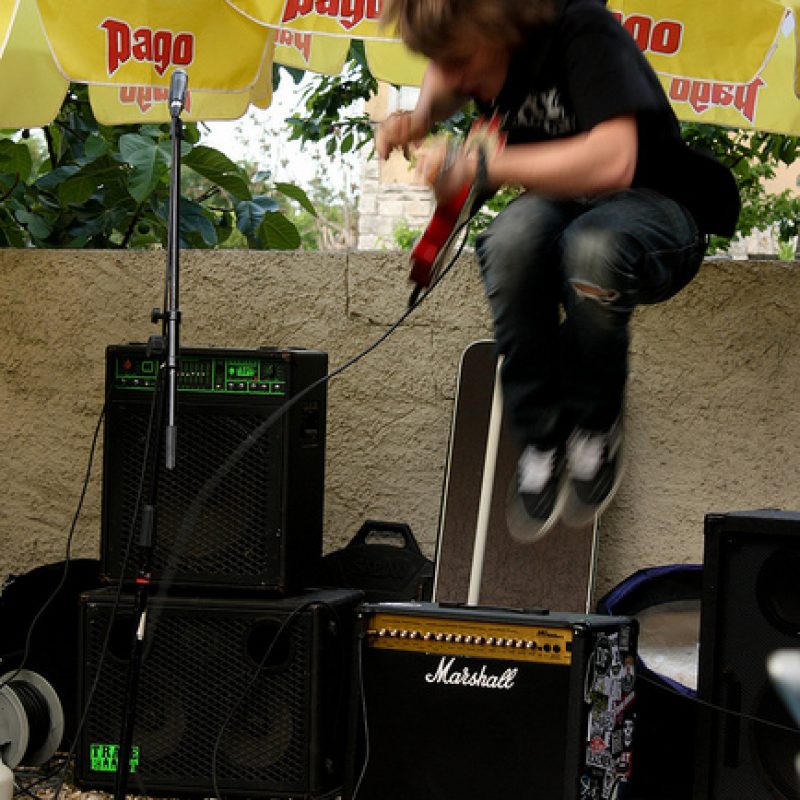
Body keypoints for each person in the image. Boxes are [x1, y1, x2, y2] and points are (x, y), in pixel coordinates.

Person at [376, 0, 740, 540]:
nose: (454, 76)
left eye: (460, 59)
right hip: (566, 207)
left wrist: (485, 165)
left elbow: (613, 160)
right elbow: (444, 78)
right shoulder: (485, 61)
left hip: (658, 211)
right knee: (508, 241)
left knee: (590, 247)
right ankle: (541, 437)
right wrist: (419, 118)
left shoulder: (582, 32)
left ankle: (593, 423)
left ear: (498, 27)